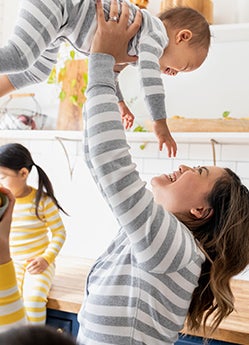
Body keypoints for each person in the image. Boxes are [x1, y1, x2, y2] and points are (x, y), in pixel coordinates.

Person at [76, 1, 249, 344]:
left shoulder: (174, 246)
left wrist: (103, 63)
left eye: (199, 170)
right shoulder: (163, 242)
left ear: (202, 210)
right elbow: (97, 159)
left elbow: (108, 160)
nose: (183, 166)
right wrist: (108, 71)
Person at [0, 0, 211, 157]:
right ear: (182, 36)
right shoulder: (156, 35)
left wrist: (121, 103)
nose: (174, 74)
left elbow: (111, 70)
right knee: (19, 57)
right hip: (60, 5)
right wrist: (160, 122)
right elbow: (150, 79)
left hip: (62, 25)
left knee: (37, 71)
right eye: (183, 67)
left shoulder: (140, 42)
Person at [0, 143, 67, 325]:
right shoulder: (2, 203)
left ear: (23, 174)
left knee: (34, 300)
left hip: (38, 263)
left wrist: (46, 258)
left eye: (2, 177)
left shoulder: (42, 201)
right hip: (11, 263)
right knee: (11, 303)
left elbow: (59, 233)